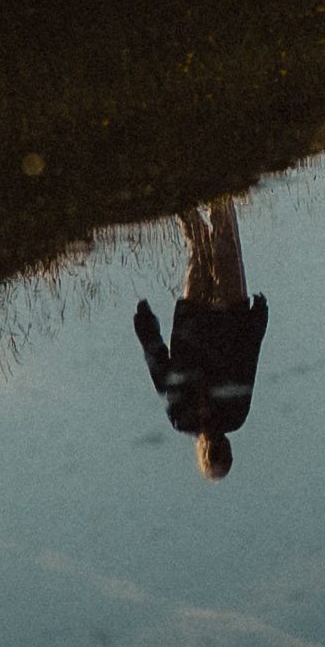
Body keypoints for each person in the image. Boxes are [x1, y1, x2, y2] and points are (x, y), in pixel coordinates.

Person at [135, 199, 269, 473]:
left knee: (215, 245)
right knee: (211, 247)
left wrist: (147, 331)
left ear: (204, 456)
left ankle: (192, 191)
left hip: (211, 318)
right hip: (213, 318)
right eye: (221, 454)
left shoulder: (192, 418)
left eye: (213, 456)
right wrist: (147, 332)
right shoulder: (195, 418)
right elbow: (245, 362)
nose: (217, 449)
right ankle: (202, 190)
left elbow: (246, 362)